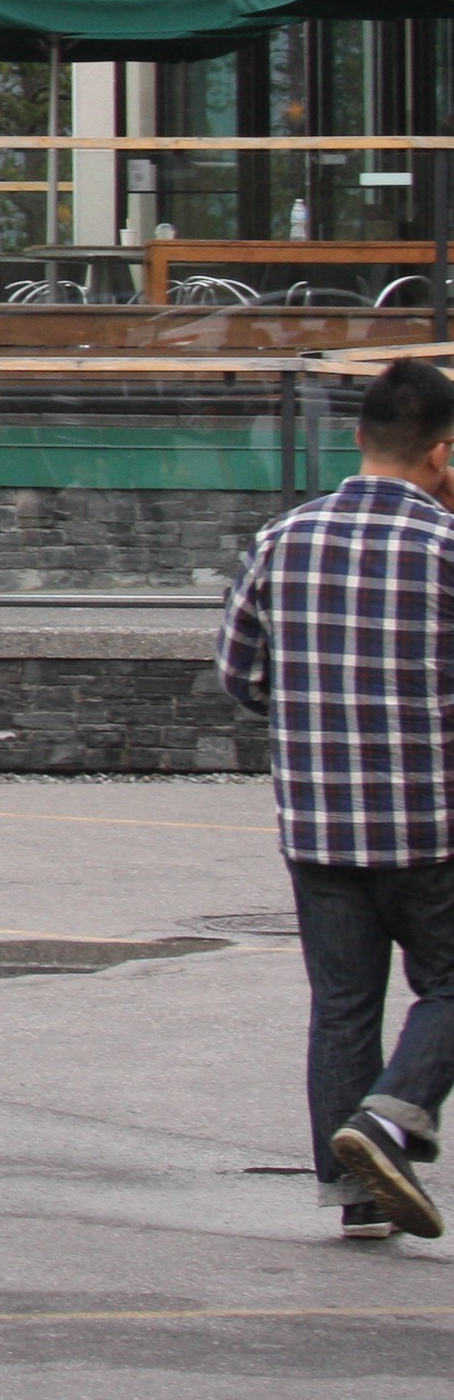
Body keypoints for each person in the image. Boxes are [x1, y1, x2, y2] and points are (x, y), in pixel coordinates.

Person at [218, 352, 454, 1241]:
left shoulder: (282, 540)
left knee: (345, 1003)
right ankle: (389, 1122)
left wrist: (314, 716)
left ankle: (354, 1195)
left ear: (356, 437)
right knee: (449, 982)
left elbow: (239, 673)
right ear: (440, 454)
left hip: (317, 820)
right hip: (428, 821)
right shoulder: (443, 547)